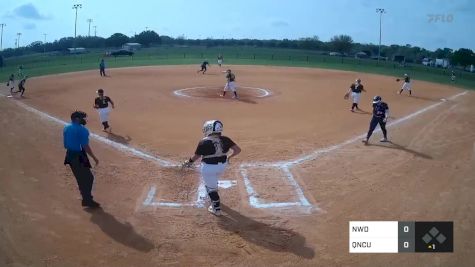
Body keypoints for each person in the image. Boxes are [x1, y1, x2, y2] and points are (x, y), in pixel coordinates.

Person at [182, 120, 241, 216]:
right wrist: (229, 157)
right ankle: (214, 189)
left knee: (210, 188)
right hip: (222, 166)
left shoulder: (203, 142)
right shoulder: (226, 139)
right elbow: (238, 150)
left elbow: (196, 156)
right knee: (214, 180)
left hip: (208, 168)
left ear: (209, 129)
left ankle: (216, 209)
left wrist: (188, 162)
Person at [63, 111, 100, 208]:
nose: (85, 120)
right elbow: (85, 146)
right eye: (83, 118)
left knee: (81, 178)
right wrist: (94, 157)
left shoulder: (66, 127)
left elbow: (65, 143)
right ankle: (87, 200)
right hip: (78, 156)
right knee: (88, 178)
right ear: (77, 119)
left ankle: (86, 198)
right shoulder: (83, 130)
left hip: (69, 155)